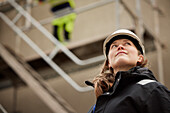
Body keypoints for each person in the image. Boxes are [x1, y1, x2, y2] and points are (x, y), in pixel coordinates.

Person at [85, 29, 170, 113]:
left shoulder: (152, 89)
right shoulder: (95, 108)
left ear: (139, 58)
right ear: (109, 63)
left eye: (127, 43)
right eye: (114, 46)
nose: (120, 47)